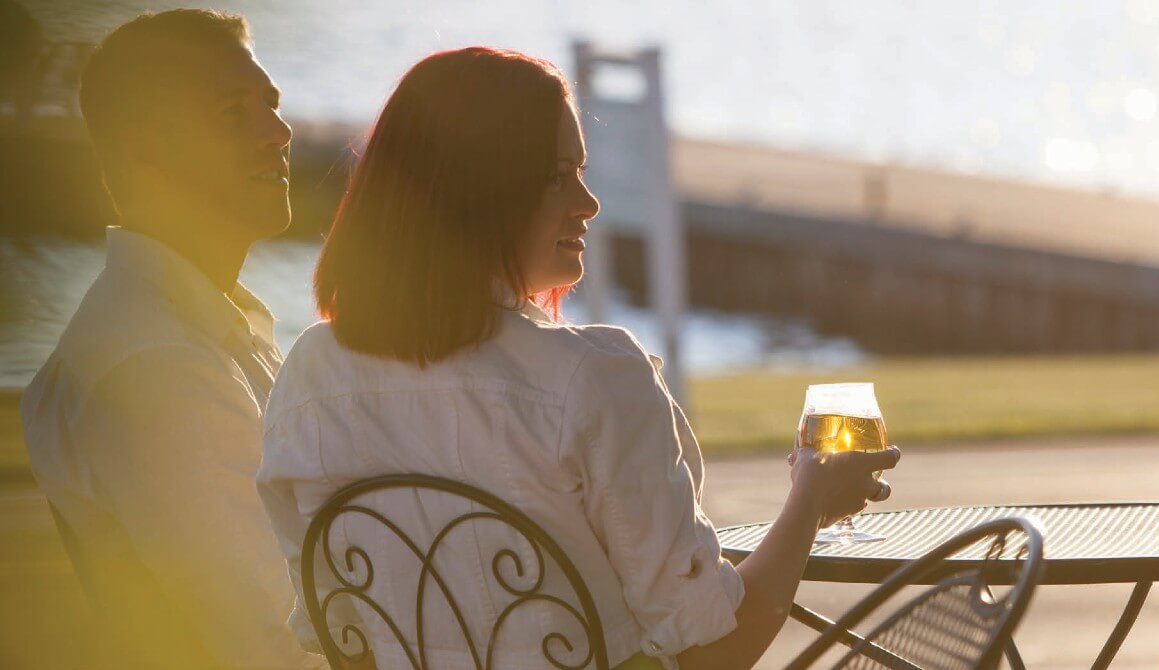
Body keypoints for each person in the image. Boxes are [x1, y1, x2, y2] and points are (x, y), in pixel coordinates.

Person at [257, 47, 898, 670]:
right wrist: (809, 500)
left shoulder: (313, 378)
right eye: (558, 176)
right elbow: (712, 652)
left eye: (582, 173)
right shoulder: (592, 379)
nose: (588, 204)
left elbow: (340, 633)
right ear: (480, 192)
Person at [19, 9, 323, 669]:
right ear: (144, 149)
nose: (279, 132)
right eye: (231, 114)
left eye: (271, 105)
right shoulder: (160, 369)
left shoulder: (189, 326)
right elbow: (266, 652)